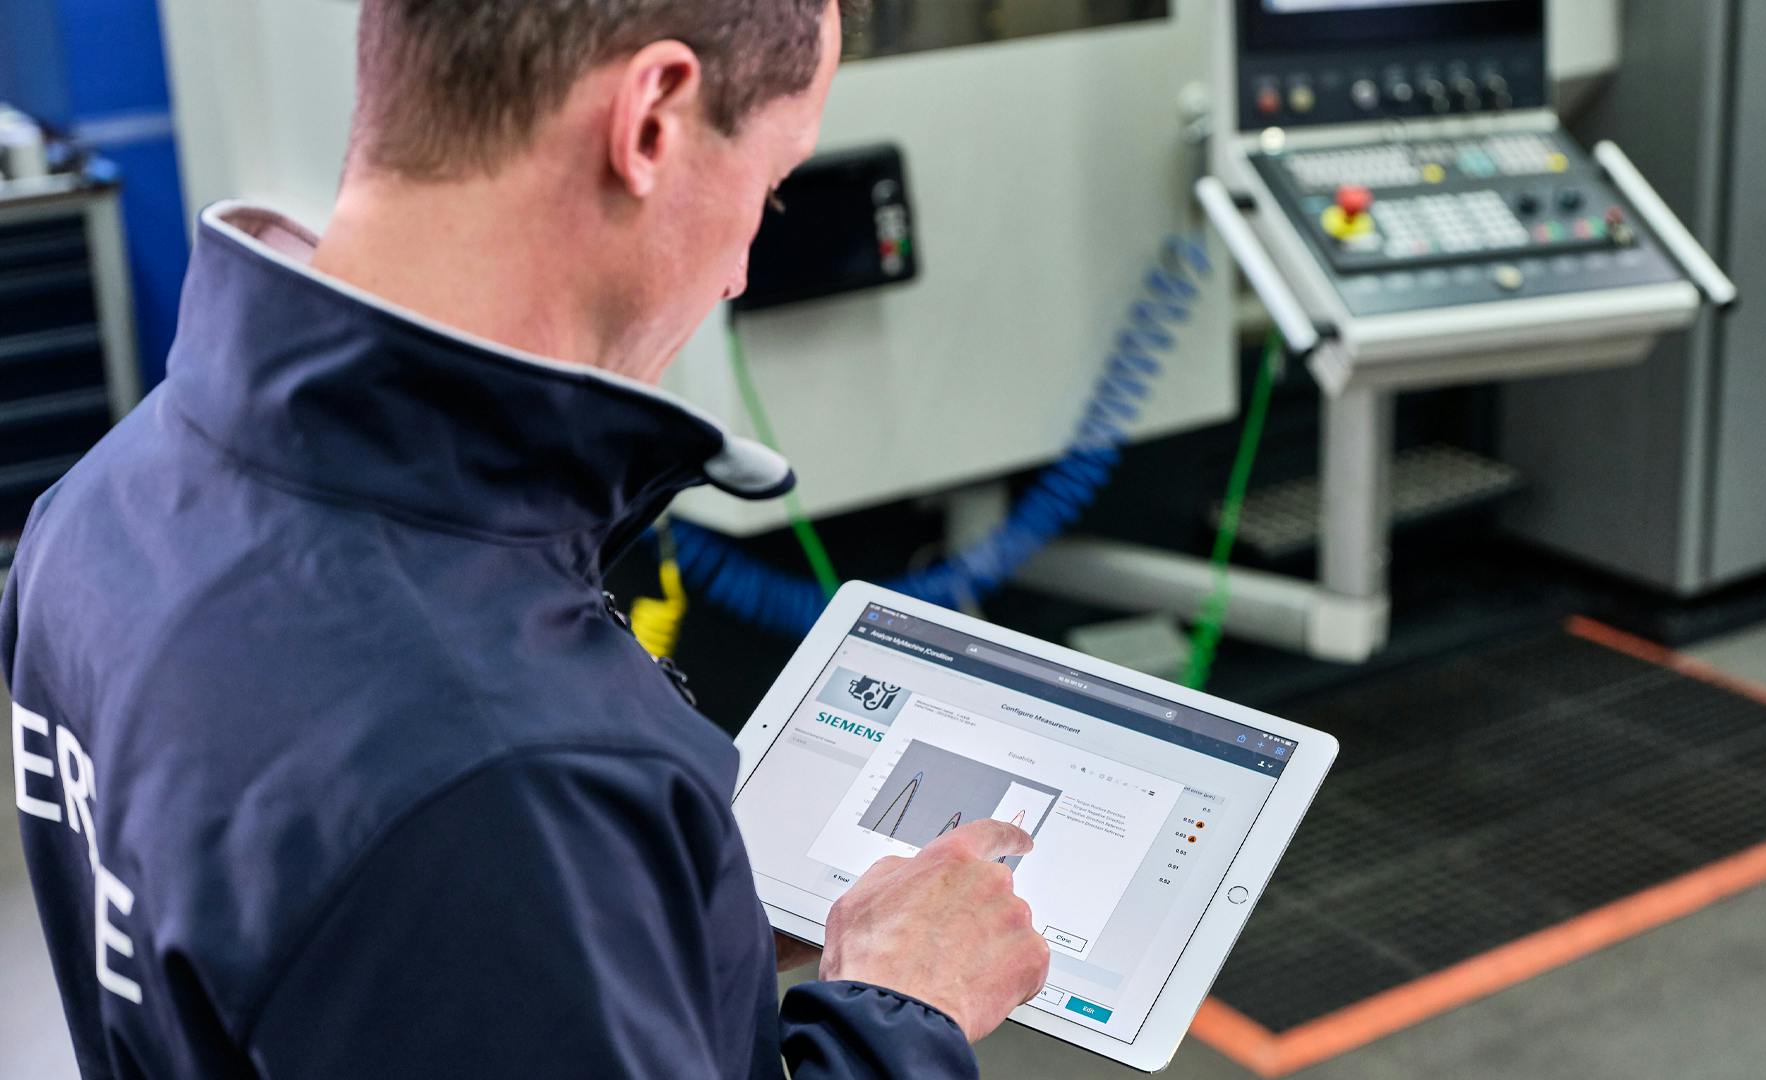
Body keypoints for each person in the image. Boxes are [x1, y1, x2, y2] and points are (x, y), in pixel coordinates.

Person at [1, 1, 1052, 1076]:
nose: (740, 269)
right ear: (652, 119)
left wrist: (659, 922)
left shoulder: (105, 504)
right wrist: (898, 1011)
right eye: (770, 184)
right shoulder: (502, 774)